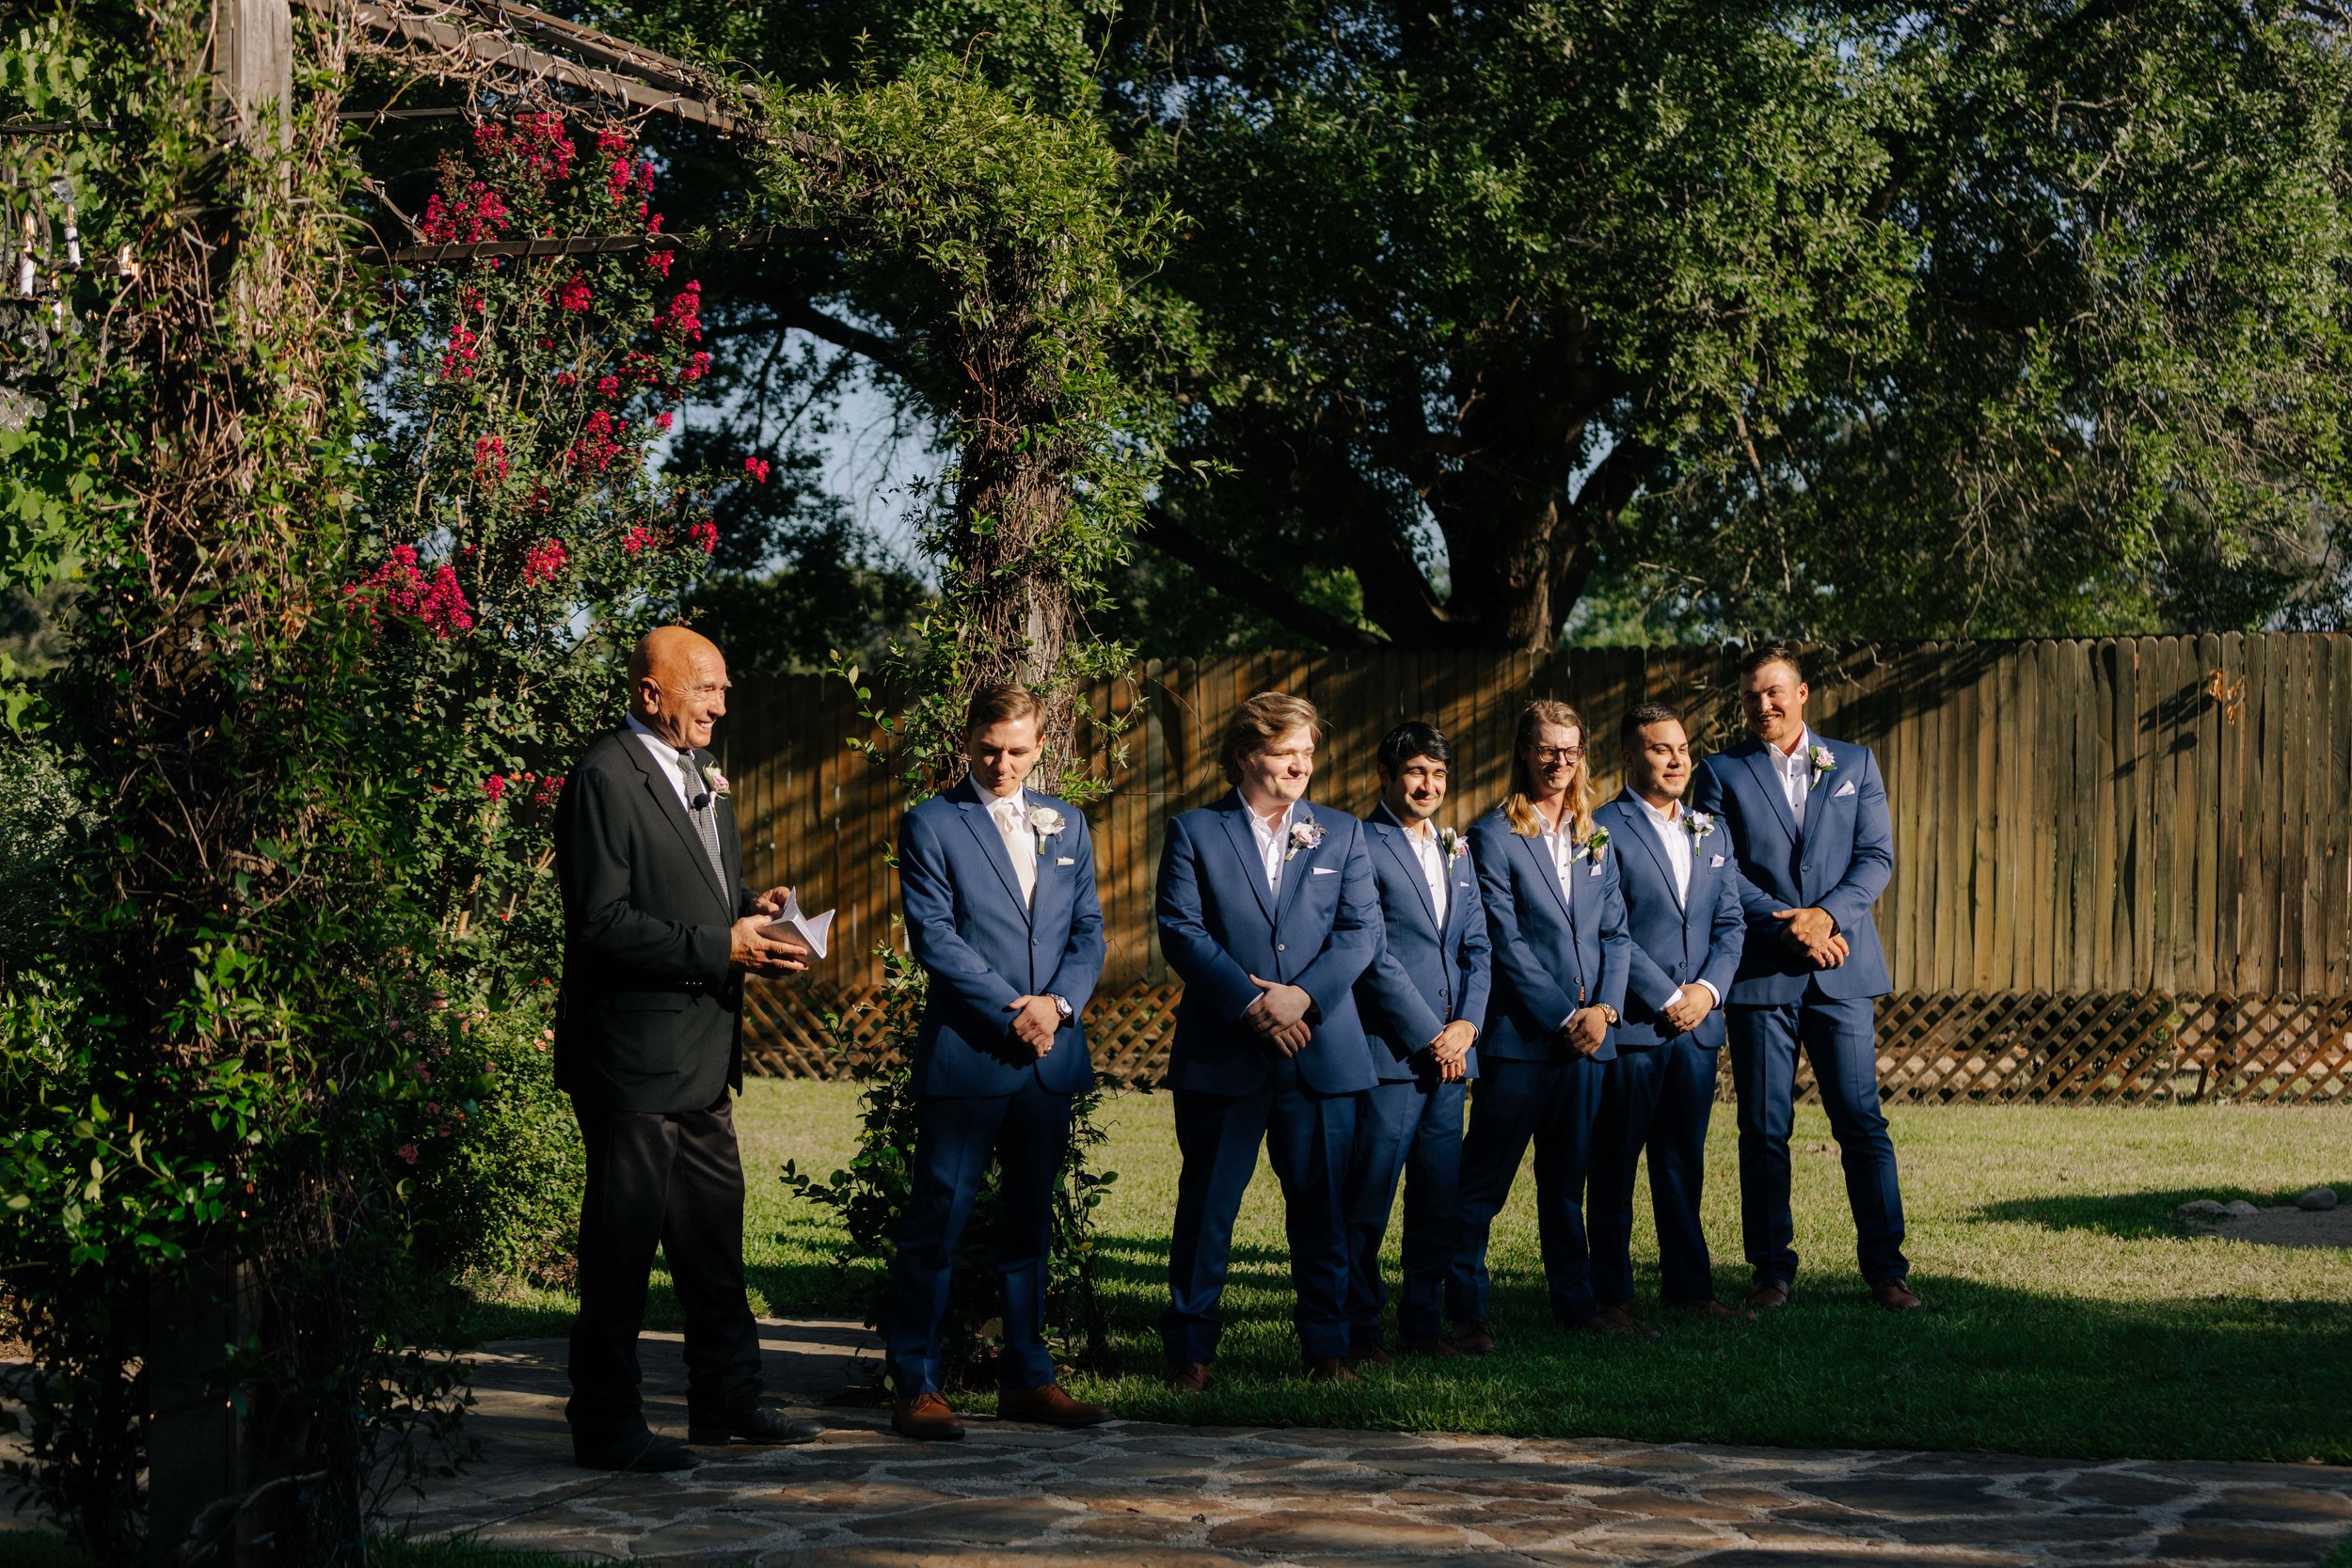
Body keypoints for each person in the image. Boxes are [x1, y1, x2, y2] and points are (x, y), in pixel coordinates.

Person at [552, 626, 823, 1472]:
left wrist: (751, 907)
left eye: (723, 688)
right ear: (650, 693)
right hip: (632, 1060)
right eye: (704, 688)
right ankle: (606, 1423)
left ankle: (727, 1397)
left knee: (713, 1239)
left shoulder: (700, 773)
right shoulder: (605, 777)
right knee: (622, 1248)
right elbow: (600, 923)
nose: (720, 704)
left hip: (702, 1056)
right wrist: (722, 946)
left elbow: (691, 890)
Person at [882, 683, 1112, 1441]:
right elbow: (935, 937)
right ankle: (915, 1382)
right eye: (988, 749)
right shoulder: (931, 822)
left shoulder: (1067, 821)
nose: (1002, 763)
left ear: (1040, 745)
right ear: (968, 741)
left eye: (1017, 750)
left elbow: (1088, 931)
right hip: (971, 1053)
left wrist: (1059, 1006)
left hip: (1049, 1057)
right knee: (937, 1221)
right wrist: (1017, 1012)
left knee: (1030, 1224)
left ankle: (1028, 1376)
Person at [1155, 691, 1383, 1388]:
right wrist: (1252, 1003)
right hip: (1225, 1051)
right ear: (1246, 754)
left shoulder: (1341, 832)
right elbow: (1181, 929)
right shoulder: (1195, 831)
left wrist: (1301, 997)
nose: (1300, 765)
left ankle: (1327, 1350)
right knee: (1207, 1207)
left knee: (1324, 1209)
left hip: (1320, 1051)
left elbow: (1361, 932)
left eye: (1308, 752)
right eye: (1286, 751)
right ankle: (1191, 1354)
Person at [1691, 643, 1917, 1312]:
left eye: (1774, 692)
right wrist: (1788, 925)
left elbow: (1876, 856)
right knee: (1764, 1128)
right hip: (1762, 972)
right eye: (1751, 696)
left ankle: (1887, 1271)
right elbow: (1718, 866)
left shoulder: (1854, 762)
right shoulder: (1720, 771)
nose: (1763, 705)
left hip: (1842, 968)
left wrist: (1826, 917)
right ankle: (1771, 1271)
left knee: (1861, 1122)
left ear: (1802, 693)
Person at [1454, 700, 1634, 1351]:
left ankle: (1576, 1305)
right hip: (1522, 1043)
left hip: (1590, 1042)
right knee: (1482, 1186)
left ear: (1582, 754)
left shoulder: (1594, 834)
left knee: (1567, 1185)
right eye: (1547, 749)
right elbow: (1504, 942)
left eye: (1570, 749)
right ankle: (1465, 1312)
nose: (1559, 761)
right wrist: (1565, 1017)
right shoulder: (1493, 836)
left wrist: (1604, 1011)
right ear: (1524, 752)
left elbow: (1616, 932)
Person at [1587, 703, 1748, 1322]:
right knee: (1615, 1163)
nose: (1677, 760)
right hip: (1635, 1024)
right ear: (1630, 757)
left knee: (1684, 1161)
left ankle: (1690, 1289)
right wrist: (1667, 995)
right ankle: (1611, 1295)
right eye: (1661, 749)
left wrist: (1707, 991)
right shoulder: (1602, 827)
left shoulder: (1712, 829)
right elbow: (1609, 928)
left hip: (1699, 1027)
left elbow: (1730, 923)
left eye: (1682, 748)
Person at [1343, 721, 1491, 1364]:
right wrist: (1430, 1034)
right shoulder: (1362, 843)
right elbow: (1372, 955)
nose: (1428, 785)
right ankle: (1359, 1329)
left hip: (1453, 1059)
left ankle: (1423, 1325)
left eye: (1438, 773)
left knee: (1437, 1198)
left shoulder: (1457, 848)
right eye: (1415, 772)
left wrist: (1467, 1027)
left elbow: (1478, 946)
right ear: (1385, 774)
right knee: (1368, 1199)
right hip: (1393, 1054)